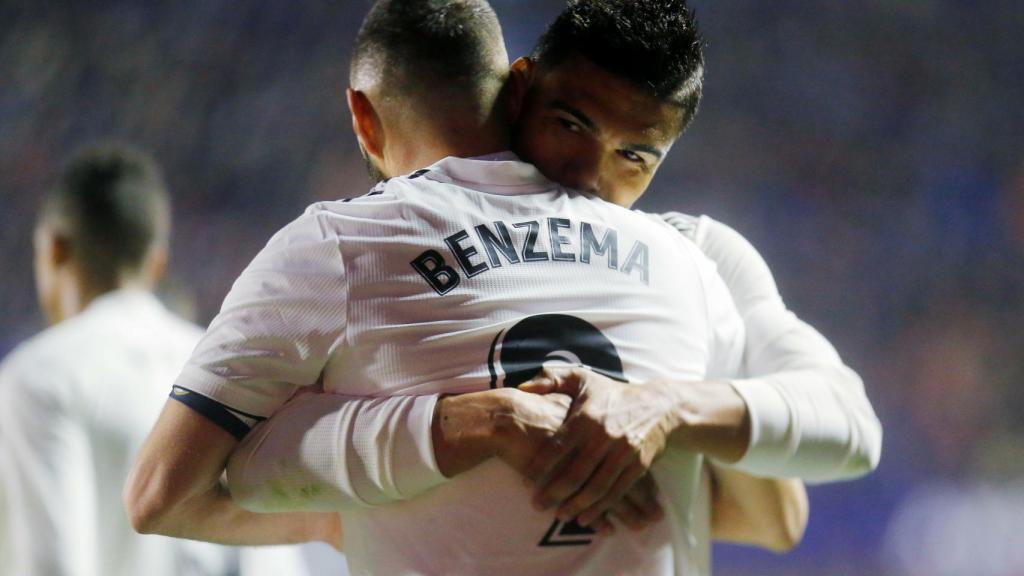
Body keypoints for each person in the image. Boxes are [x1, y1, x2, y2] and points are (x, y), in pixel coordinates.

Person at [126, 0, 878, 573]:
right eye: (572, 123)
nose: (586, 175)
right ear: (518, 89)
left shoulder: (694, 250)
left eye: (635, 157)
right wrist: (470, 424)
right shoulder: (684, 260)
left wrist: (662, 407)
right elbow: (768, 508)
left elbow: (170, 491)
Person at [0, 145, 313, 576]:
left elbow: (49, 566)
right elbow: (273, 560)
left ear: (53, 249)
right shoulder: (227, 364)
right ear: (156, 263)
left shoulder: (39, 378)